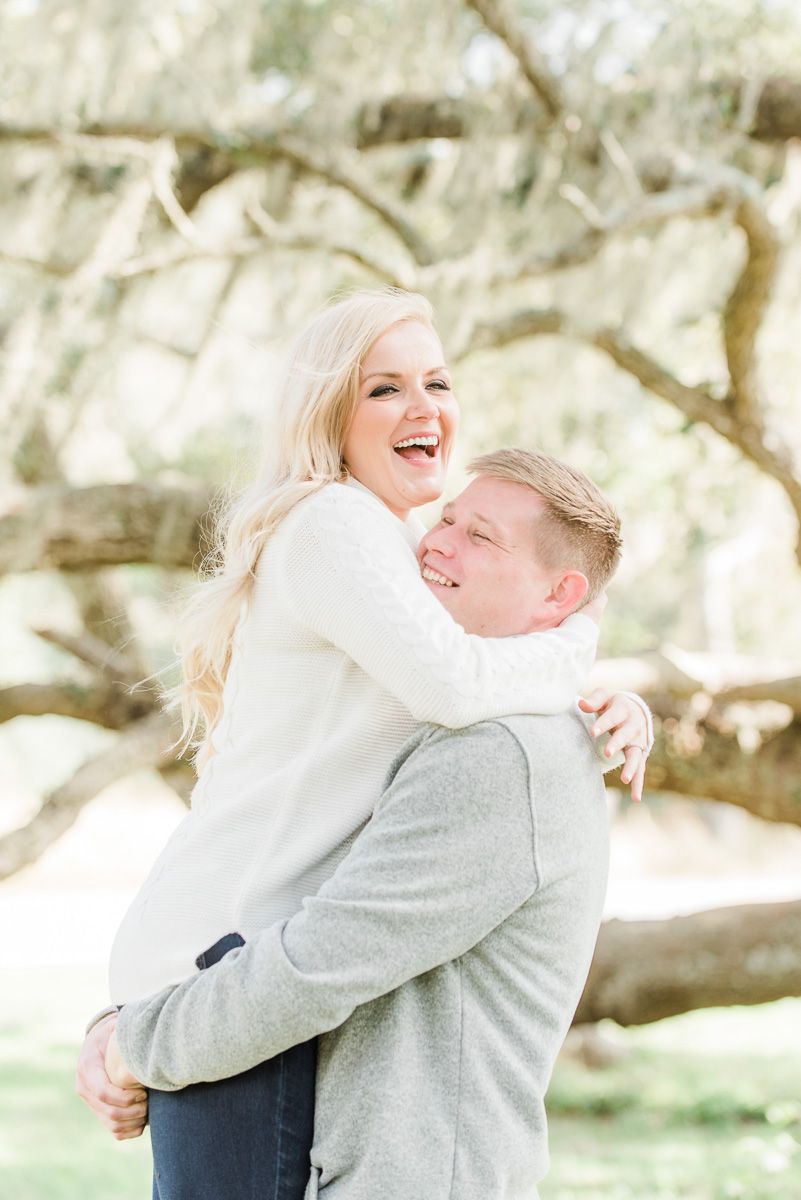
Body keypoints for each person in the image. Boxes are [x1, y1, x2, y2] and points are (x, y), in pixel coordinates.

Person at [76, 290, 651, 1196]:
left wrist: (610, 700)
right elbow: (463, 681)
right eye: (383, 388)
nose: (421, 407)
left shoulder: (396, 547)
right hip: (230, 970)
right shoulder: (337, 524)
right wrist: (581, 653)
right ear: (329, 414)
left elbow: (500, 637)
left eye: (436, 381)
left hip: (224, 964)